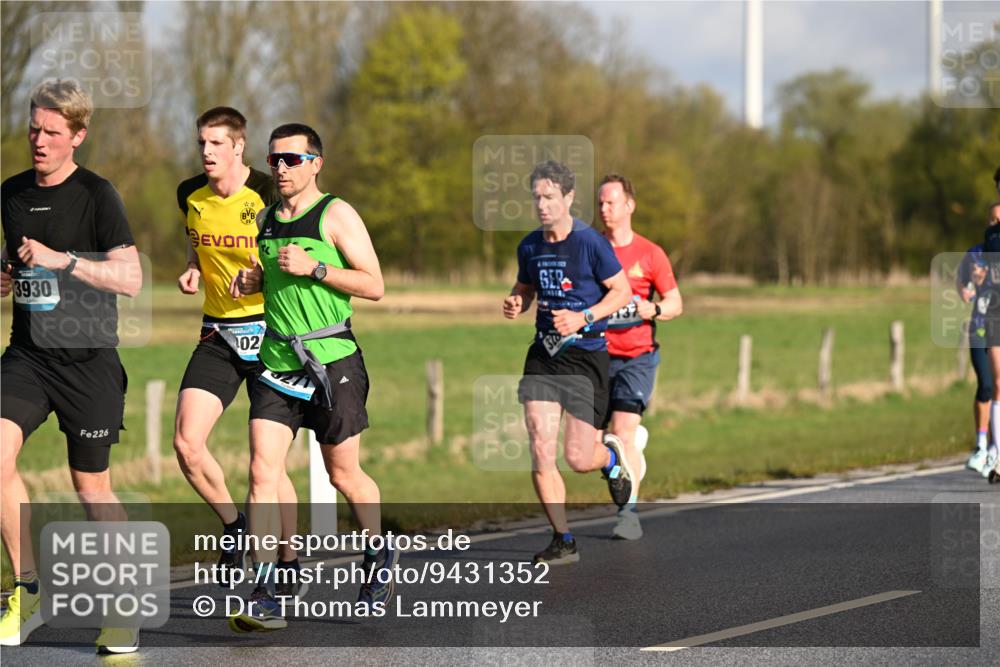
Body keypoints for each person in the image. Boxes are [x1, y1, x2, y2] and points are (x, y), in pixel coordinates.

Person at [228, 123, 393, 631]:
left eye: (292, 160)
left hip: (332, 361)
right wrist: (258, 278)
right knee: (262, 472)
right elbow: (276, 275)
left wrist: (316, 269)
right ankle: (264, 586)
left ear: (315, 163)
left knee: (343, 474)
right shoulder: (266, 219)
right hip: (276, 362)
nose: (280, 168)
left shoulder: (336, 214)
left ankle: (379, 555)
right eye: (275, 159)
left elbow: (375, 285)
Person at [0, 80, 142, 653]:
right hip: (28, 356)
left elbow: (130, 279)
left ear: (77, 136)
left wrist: (67, 260)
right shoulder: (9, 193)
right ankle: (26, 588)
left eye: (52, 132)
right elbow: (15, 270)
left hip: (88, 361)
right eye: (34, 128)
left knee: (92, 487)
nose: (39, 140)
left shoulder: (97, 194)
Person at [174, 107, 303, 596]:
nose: (206, 152)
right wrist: (193, 268)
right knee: (187, 445)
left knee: (267, 465)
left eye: (215, 144)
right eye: (201, 143)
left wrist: (261, 276)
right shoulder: (190, 193)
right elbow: (196, 243)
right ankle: (235, 524)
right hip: (218, 334)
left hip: (271, 334)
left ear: (238, 147)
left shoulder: (270, 193)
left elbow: (295, 257)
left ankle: (288, 561)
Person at [504, 160, 633, 565]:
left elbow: (622, 292)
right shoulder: (530, 245)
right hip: (544, 354)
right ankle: (563, 539)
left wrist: (585, 316)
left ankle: (610, 457)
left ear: (569, 198)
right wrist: (516, 302)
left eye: (550, 197)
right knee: (541, 448)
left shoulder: (591, 242)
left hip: (586, 356)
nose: (542, 205)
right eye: (536, 197)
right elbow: (524, 288)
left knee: (578, 457)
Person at [598, 174, 683, 539]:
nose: (604, 210)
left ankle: (627, 514)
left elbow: (677, 303)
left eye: (611, 202)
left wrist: (655, 309)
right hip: (596, 357)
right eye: (600, 203)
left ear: (629, 205)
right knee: (598, 444)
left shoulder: (650, 254)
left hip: (637, 356)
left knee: (621, 432)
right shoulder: (591, 250)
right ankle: (632, 448)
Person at [956, 214, 995, 476]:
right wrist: (965, 290)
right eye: (993, 220)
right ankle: (982, 446)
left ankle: (995, 448)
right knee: (987, 384)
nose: (996, 225)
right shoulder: (976, 253)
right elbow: (961, 279)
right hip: (981, 326)